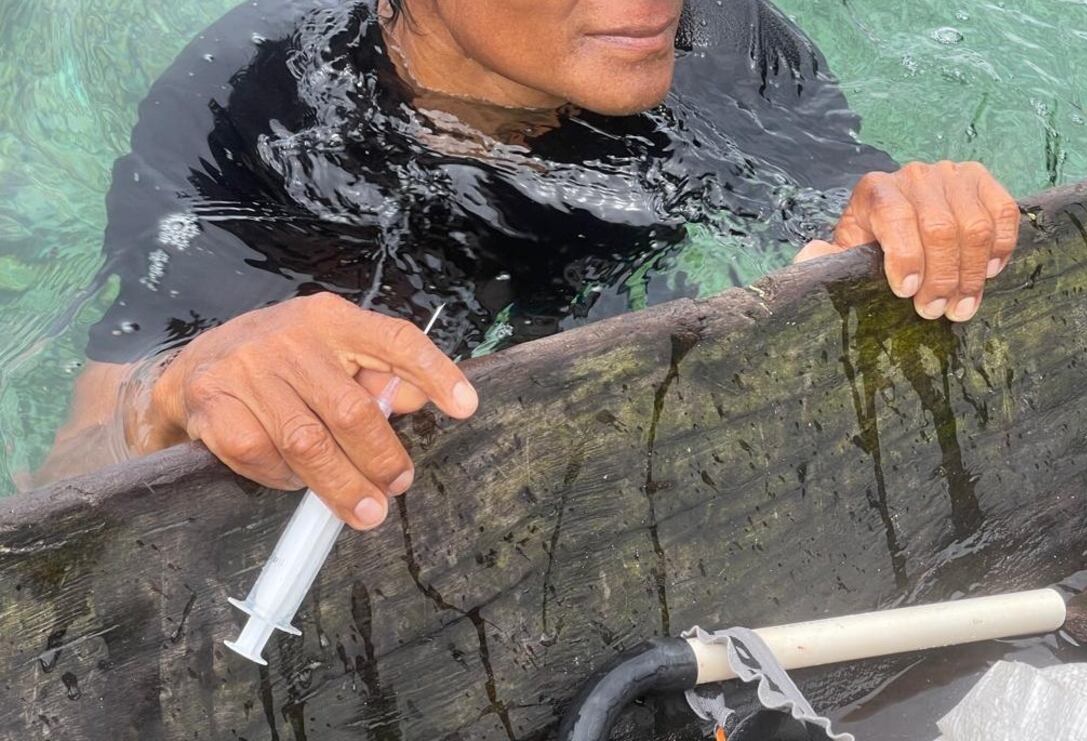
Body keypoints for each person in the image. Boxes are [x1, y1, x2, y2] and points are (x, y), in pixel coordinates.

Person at [41, 0, 1020, 531]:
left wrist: (914, 221)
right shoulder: (249, 111)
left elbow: (840, 212)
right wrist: (177, 392)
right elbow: (77, 464)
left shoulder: (717, 35)